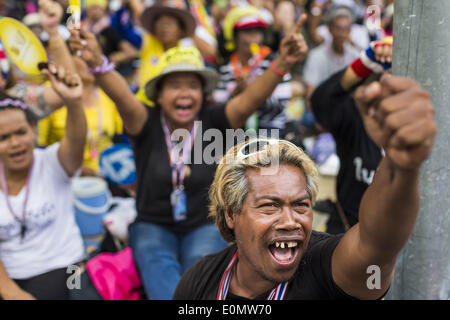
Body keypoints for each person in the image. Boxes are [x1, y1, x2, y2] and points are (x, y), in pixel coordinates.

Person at [67, 14, 309, 299]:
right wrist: (97, 62)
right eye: (174, 85)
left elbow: (249, 101)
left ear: (203, 92)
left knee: (201, 278)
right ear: (159, 94)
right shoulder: (145, 121)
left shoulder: (215, 119)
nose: (184, 93)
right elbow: (121, 96)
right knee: (161, 276)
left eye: (192, 85)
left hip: (203, 224)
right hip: (151, 225)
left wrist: (283, 62)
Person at [173, 74, 437, 300]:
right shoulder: (199, 280)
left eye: (301, 205)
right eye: (269, 206)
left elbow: (376, 245)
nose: (291, 222)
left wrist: (400, 167)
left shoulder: (323, 267)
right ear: (231, 214)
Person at [0, 64, 87, 300]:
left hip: (68, 268)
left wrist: (74, 102)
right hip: (12, 279)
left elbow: (76, 141)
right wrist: (14, 294)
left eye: (20, 132)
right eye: (3, 138)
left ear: (33, 130)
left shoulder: (53, 162)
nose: (15, 143)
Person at [310, 36, 392, 233]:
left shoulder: (424, 132)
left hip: (401, 243)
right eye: (387, 77)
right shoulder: (358, 118)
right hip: (347, 231)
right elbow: (321, 101)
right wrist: (364, 63)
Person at [213, 5, 292, 134]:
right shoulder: (226, 67)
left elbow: (280, 106)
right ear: (235, 36)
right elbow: (218, 108)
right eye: (247, 32)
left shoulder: (274, 62)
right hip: (236, 130)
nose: (254, 38)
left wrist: (251, 93)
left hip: (270, 129)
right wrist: (237, 93)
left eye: (258, 32)